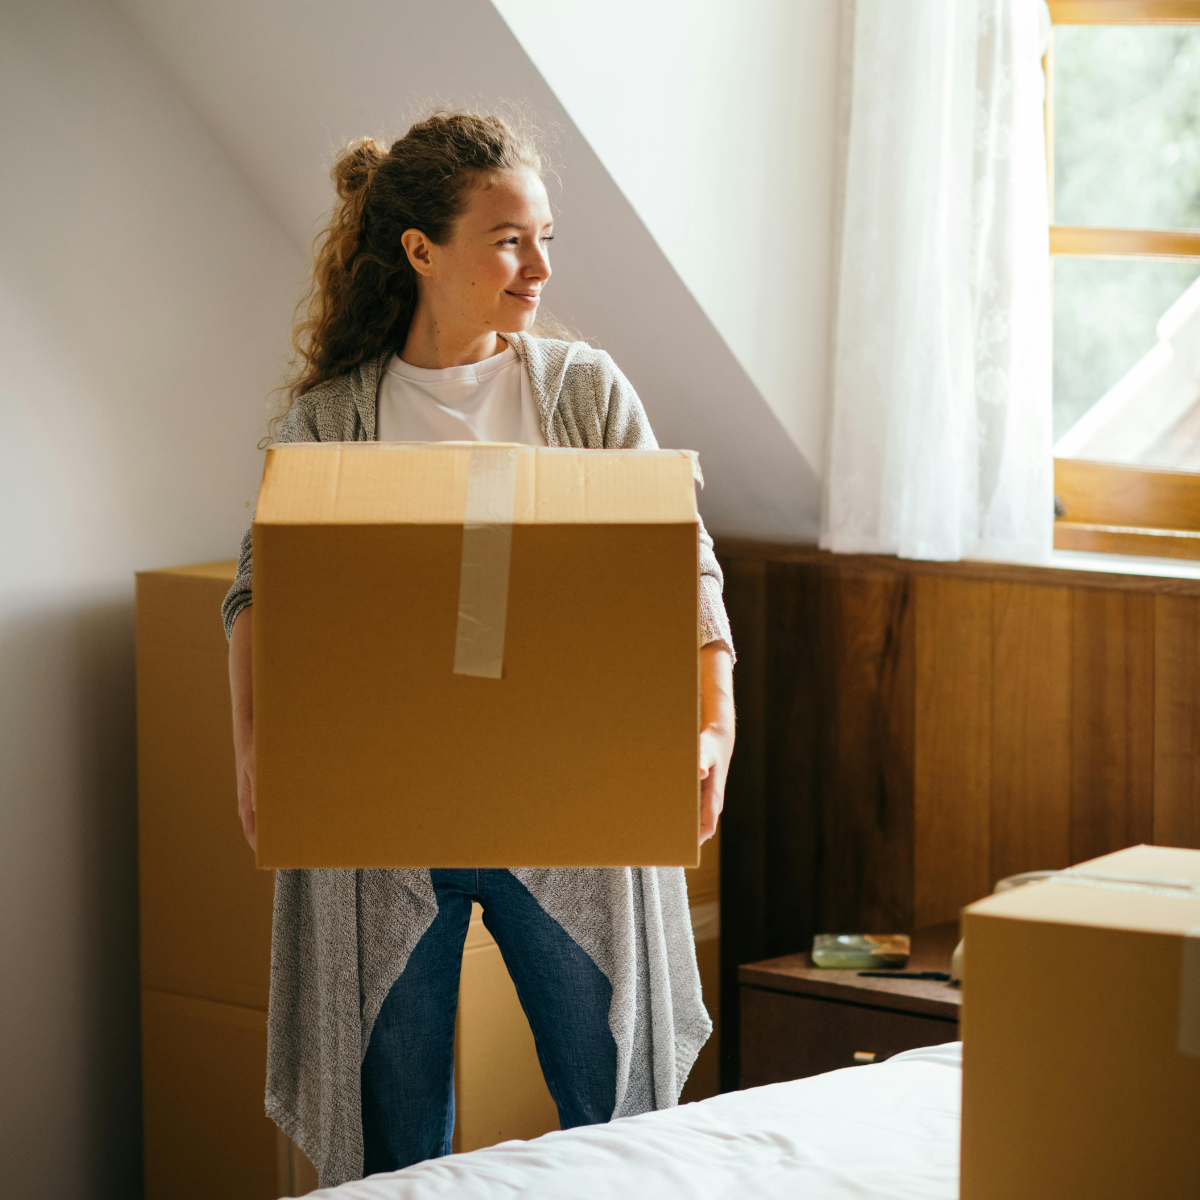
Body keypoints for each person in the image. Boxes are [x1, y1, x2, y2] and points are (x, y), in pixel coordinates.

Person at [222, 109, 736, 1189]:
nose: (539, 268)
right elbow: (262, 593)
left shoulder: (584, 391)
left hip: (571, 809)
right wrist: (256, 750)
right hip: (381, 824)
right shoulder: (332, 420)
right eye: (509, 241)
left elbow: (683, 566)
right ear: (422, 250)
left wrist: (714, 721)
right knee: (392, 1154)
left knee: (619, 1124)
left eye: (545, 238)